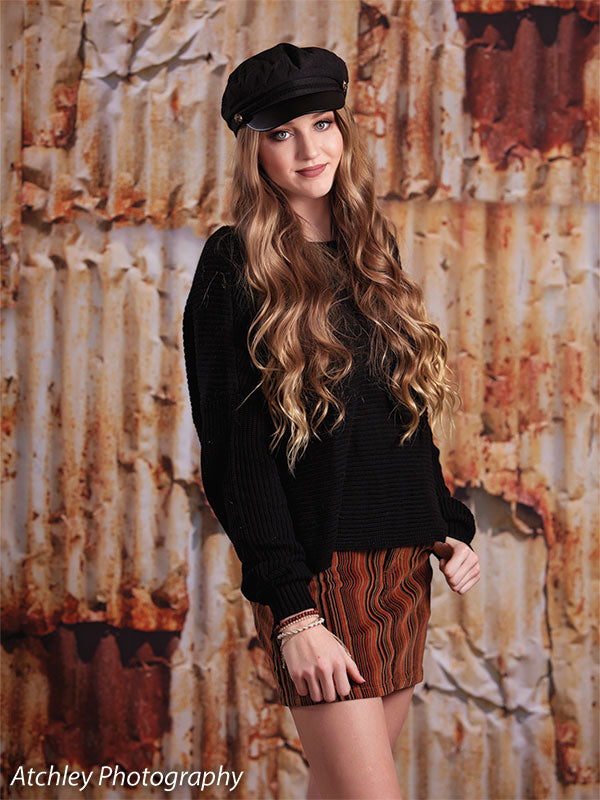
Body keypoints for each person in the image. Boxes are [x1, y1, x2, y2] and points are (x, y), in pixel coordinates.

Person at [183, 42, 481, 800]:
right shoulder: (234, 264)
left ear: (343, 130)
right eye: (281, 133)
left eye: (321, 124)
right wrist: (293, 612)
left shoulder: (369, 250)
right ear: (253, 149)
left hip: (403, 569)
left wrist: (444, 522)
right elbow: (235, 457)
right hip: (319, 575)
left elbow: (401, 413)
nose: (308, 149)